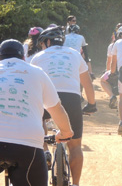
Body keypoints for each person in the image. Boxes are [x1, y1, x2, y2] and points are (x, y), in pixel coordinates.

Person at [0, 39, 74, 186]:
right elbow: (56, 108)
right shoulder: (37, 72)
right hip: (27, 147)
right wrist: (65, 132)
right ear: (23, 58)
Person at [31, 26, 96, 186]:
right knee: (75, 145)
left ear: (46, 41)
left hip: (47, 97)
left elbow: (31, 85)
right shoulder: (75, 55)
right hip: (71, 98)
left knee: (40, 121)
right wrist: (92, 104)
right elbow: (87, 84)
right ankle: (76, 184)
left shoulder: (38, 57)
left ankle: (45, 150)